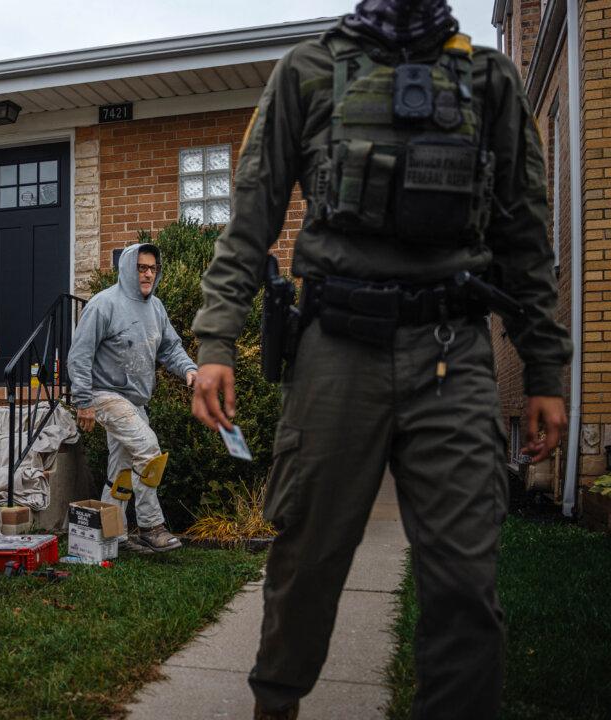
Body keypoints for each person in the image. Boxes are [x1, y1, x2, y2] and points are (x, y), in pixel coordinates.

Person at [190, 2, 572, 718]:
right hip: (337, 350)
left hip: (453, 352)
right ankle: (276, 707)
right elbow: (252, 214)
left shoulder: (489, 80)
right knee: (305, 563)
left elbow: (525, 231)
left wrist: (543, 368)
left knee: (464, 578)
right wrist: (216, 341)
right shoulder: (306, 71)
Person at [68, 243, 198, 552]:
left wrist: (190, 370)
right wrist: (83, 401)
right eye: (142, 267)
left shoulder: (156, 308)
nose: (148, 274)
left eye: (153, 268)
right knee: (149, 450)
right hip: (104, 394)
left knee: (122, 469)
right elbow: (79, 356)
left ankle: (113, 535)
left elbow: (170, 348)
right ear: (128, 269)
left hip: (135, 402)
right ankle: (151, 526)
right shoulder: (104, 304)